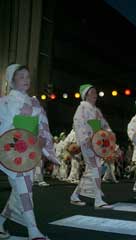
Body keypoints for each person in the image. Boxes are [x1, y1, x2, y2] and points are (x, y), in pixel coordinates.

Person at [0, 64, 60, 240]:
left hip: (30, 151)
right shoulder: (4, 102)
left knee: (22, 190)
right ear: (12, 80)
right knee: (24, 189)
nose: (26, 80)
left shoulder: (34, 102)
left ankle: (0, 222)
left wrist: (42, 140)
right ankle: (33, 230)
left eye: (27, 77)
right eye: (21, 77)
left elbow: (42, 124)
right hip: (13, 151)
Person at [70, 84, 113, 209]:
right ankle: (98, 200)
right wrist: (85, 138)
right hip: (88, 141)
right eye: (92, 91)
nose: (95, 93)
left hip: (97, 141)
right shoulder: (82, 108)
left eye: (95, 91)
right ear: (86, 95)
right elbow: (78, 123)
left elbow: (104, 125)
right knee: (95, 167)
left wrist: (109, 135)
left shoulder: (96, 110)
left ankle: (75, 196)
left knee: (93, 169)